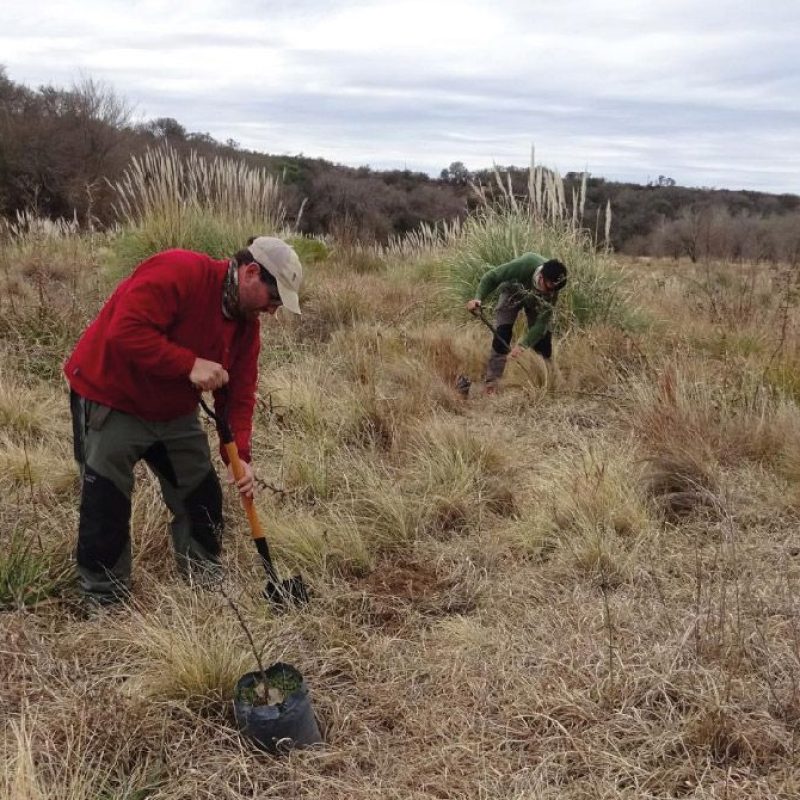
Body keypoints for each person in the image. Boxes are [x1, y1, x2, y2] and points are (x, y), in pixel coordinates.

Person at [64, 236, 303, 605]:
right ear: (251, 273)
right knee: (106, 502)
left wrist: (240, 457)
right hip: (110, 396)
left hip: (173, 412)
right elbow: (125, 330)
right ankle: (105, 598)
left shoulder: (245, 326)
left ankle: (204, 579)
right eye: (273, 300)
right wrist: (188, 364)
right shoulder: (180, 271)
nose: (272, 312)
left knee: (201, 493)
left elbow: (239, 393)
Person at [465, 254, 567, 394]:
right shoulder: (525, 265)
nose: (551, 293)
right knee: (503, 333)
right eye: (548, 288)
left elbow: (541, 324)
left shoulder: (552, 290)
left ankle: (547, 382)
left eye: (554, 290)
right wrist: (478, 298)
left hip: (536, 302)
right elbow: (491, 277)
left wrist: (523, 345)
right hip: (512, 293)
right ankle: (492, 384)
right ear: (541, 276)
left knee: (543, 342)